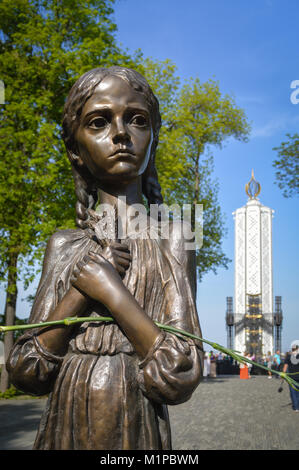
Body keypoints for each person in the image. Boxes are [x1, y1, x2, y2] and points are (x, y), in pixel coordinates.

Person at [6, 67, 203, 450]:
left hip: (136, 424)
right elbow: (28, 371)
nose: (120, 134)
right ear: (75, 150)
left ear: (153, 139)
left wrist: (111, 292)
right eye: (98, 122)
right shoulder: (63, 244)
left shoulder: (174, 235)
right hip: (66, 424)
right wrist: (78, 292)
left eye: (137, 120)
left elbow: (182, 372)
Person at [282, 345, 299, 412]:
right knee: (297, 391)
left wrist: (283, 375)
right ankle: (297, 406)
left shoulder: (288, 356)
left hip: (291, 377)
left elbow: (285, 367)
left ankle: (296, 407)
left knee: (293, 392)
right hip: (295, 376)